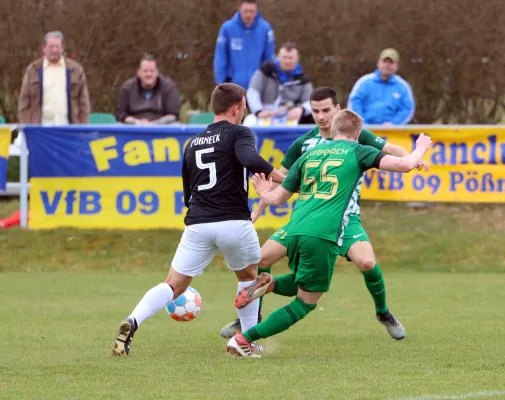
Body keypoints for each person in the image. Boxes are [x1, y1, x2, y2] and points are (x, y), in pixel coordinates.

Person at [220, 86, 421, 341]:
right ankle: (251, 317)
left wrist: (412, 158)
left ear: (338, 110)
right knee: (260, 259)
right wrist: (259, 207)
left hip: (347, 219)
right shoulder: (304, 143)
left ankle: (383, 313)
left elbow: (393, 151)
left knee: (367, 263)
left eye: (326, 110)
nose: (321, 116)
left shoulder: (357, 136)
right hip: (308, 218)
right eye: (315, 111)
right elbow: (279, 180)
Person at [111, 83, 285, 356]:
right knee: (249, 278)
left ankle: (133, 320)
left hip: (198, 223)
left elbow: (187, 191)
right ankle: (246, 342)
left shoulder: (193, 142)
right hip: (234, 222)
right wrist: (285, 180)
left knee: (173, 284)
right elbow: (248, 157)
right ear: (236, 107)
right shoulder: (240, 132)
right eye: (245, 108)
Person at [18, 31, 90, 125]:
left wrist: (82, 126)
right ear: (44, 48)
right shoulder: (33, 70)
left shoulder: (76, 70)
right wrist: (27, 126)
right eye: (51, 46)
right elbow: (24, 101)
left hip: (69, 127)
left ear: (63, 48)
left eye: (57, 46)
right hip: (40, 128)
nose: (54, 50)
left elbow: (83, 102)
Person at [246, 42, 314, 125]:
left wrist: (301, 109)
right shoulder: (265, 71)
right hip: (264, 115)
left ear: (297, 59)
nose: (287, 61)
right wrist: (258, 111)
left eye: (290, 58)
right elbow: (253, 91)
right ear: (278, 57)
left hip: (289, 117)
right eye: (284, 57)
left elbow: (311, 101)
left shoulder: (302, 78)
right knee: (249, 121)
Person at [214, 0, 275, 90]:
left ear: (256, 10)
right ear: (240, 9)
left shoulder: (265, 29)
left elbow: (268, 58)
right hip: (233, 86)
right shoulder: (227, 28)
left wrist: (268, 81)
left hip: (257, 87)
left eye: (252, 11)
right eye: (245, 11)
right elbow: (220, 58)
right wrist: (220, 83)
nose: (248, 15)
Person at [347, 48, 415, 125]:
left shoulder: (403, 87)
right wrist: (362, 123)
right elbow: (354, 102)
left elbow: (407, 109)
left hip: (392, 133)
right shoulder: (364, 82)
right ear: (378, 63)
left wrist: (393, 124)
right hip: (364, 131)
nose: (387, 65)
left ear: (396, 66)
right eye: (384, 61)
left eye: (391, 62)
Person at [116, 54, 181, 125]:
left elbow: (173, 115)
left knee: (175, 125)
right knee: (117, 125)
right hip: (133, 126)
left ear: (157, 72)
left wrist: (154, 123)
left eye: (152, 71)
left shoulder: (169, 87)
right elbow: (120, 114)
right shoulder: (127, 88)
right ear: (138, 72)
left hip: (162, 127)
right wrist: (137, 122)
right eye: (145, 71)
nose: (148, 74)